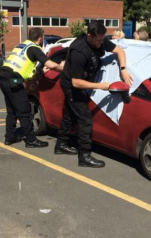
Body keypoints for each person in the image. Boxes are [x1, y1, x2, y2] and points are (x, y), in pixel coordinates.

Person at [55, 21, 133, 168]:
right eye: (97, 40)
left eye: (102, 39)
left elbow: (120, 51)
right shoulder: (79, 51)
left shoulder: (101, 40)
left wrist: (123, 68)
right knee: (85, 119)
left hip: (81, 82)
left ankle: (60, 145)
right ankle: (84, 156)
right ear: (89, 36)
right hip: (72, 86)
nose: (100, 43)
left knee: (69, 115)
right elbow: (76, 83)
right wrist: (101, 86)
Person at [0, 27, 64, 148]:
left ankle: (9, 137)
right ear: (40, 38)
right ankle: (30, 140)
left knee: (11, 111)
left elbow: (25, 66)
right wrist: (63, 68)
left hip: (3, 78)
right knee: (24, 111)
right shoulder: (34, 48)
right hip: (14, 81)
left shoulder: (21, 45)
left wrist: (38, 72)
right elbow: (50, 64)